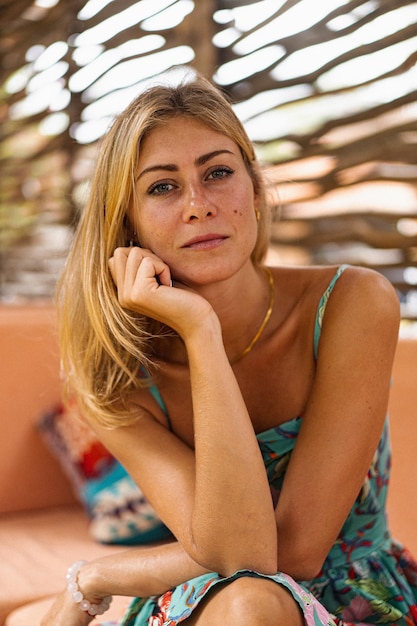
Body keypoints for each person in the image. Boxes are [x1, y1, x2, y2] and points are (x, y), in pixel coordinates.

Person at [40, 74, 417, 626]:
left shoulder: (350, 302)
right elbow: (243, 559)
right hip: (211, 606)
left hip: (359, 601)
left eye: (217, 173)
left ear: (255, 191)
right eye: (162, 187)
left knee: (253, 599)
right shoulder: (117, 378)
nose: (198, 205)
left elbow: (288, 555)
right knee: (247, 602)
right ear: (128, 224)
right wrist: (200, 335)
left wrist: (99, 577)